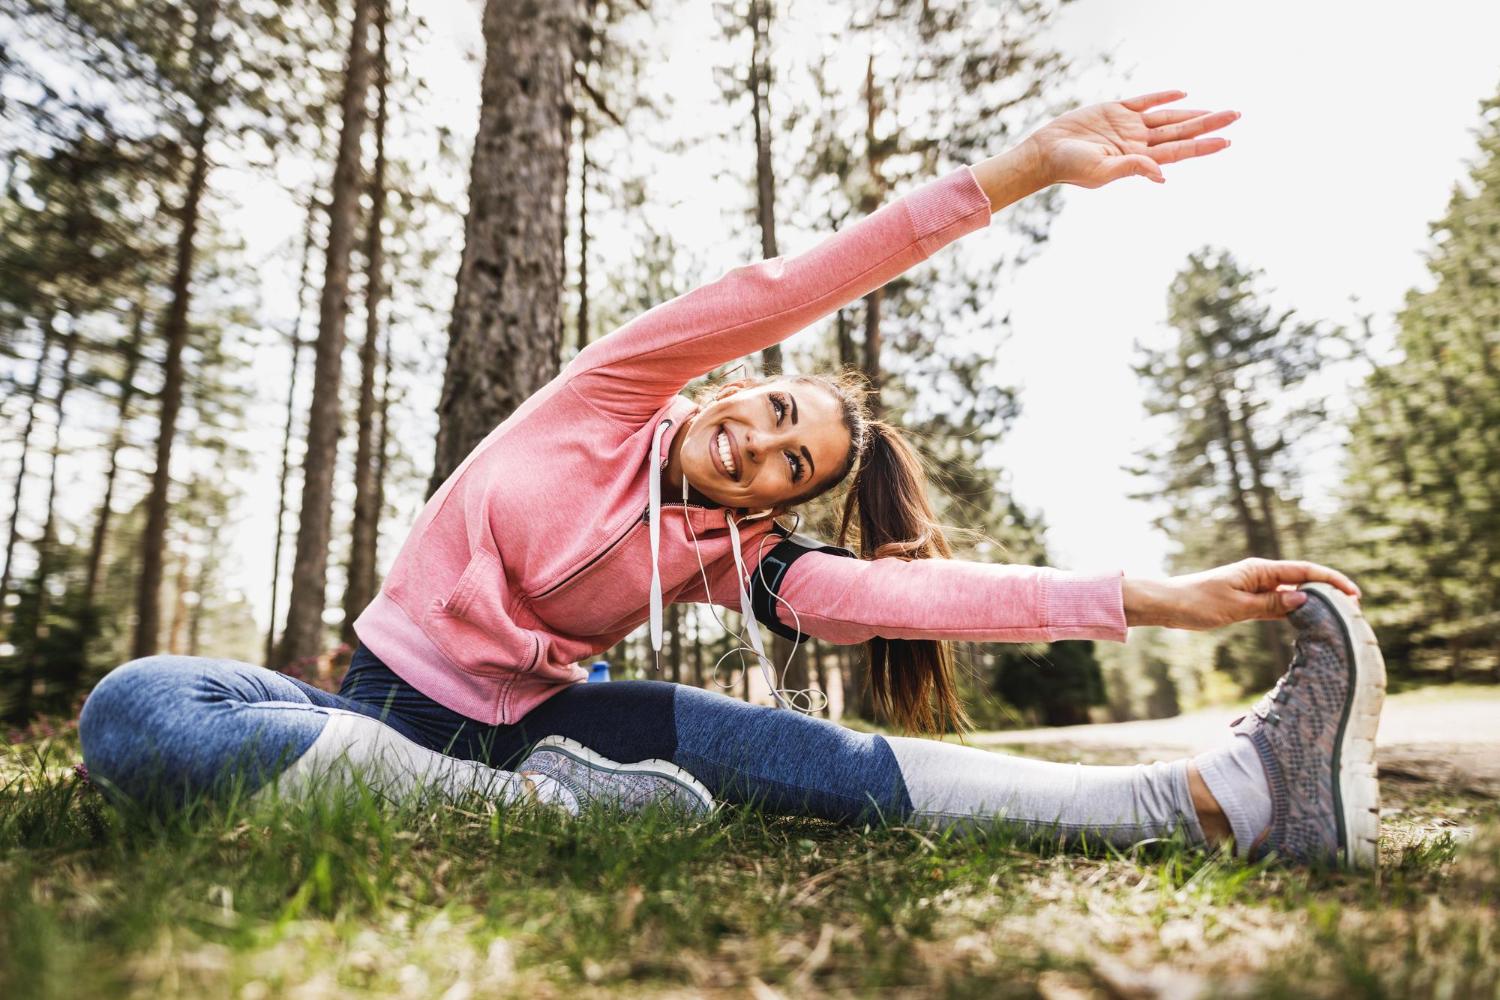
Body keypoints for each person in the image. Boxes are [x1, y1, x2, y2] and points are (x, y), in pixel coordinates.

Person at [79, 90, 1385, 867]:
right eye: (771, 409)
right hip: (373, 708)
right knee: (140, 710)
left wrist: (1172, 598)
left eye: (792, 464)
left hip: (548, 730)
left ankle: (1218, 800)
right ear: (720, 388)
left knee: (808, 758)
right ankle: (521, 814)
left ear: (772, 503)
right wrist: (1026, 169)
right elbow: (795, 283)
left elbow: (928, 602)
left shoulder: (739, 556)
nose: (764, 444)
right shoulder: (613, 391)